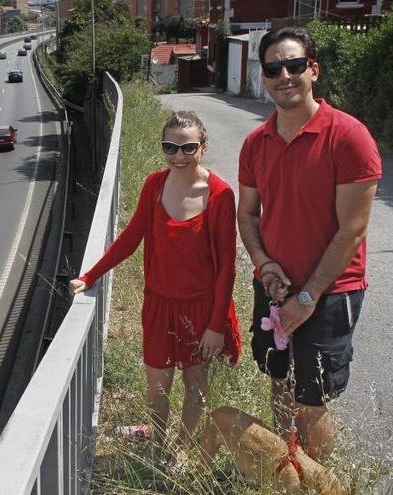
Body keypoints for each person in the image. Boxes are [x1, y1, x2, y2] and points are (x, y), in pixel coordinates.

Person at [236, 26, 382, 462]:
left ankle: (317, 480)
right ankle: (287, 470)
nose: (285, 75)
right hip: (275, 287)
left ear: (312, 70)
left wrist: (307, 296)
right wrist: (263, 266)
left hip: (331, 292)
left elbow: (351, 229)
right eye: (273, 68)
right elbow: (247, 214)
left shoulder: (349, 137)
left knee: (311, 399)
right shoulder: (255, 143)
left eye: (294, 65)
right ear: (263, 76)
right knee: (278, 380)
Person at [70, 110, 242, 456]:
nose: (178, 156)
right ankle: (156, 450)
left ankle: (181, 450)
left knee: (196, 385)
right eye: (170, 148)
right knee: (157, 387)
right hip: (159, 305)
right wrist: (89, 276)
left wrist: (215, 325)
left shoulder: (220, 195)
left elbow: (227, 268)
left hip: (201, 307)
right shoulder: (154, 186)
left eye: (188, 148)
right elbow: (130, 239)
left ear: (203, 147)